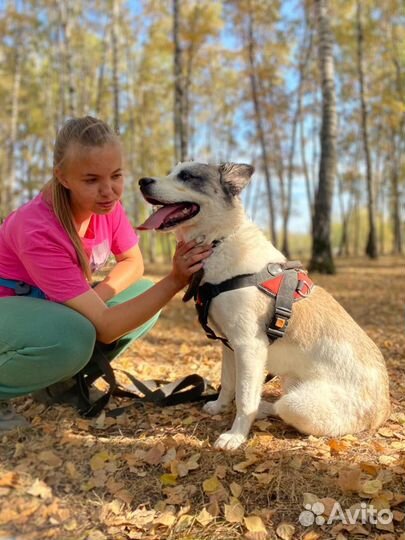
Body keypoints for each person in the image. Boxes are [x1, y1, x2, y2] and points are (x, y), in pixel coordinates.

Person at [0, 116, 212, 430]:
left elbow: (133, 263)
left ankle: (62, 382)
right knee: (75, 335)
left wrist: (98, 299)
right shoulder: (36, 228)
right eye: (91, 180)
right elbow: (107, 328)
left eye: (116, 176)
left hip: (49, 311)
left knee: (141, 293)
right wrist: (175, 281)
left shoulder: (106, 206)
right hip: (10, 311)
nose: (108, 191)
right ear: (63, 176)